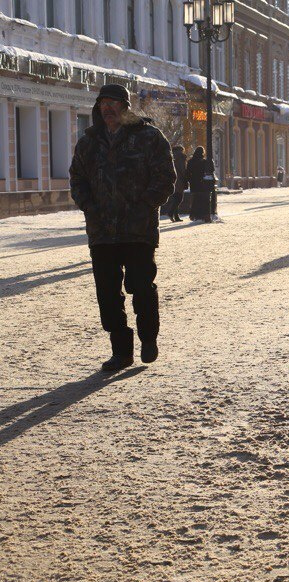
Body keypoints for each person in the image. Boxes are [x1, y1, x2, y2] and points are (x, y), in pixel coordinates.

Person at [68, 83, 175, 371]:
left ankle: (148, 338)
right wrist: (89, 206)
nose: (108, 109)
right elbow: (77, 178)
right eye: (103, 104)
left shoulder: (149, 137)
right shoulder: (89, 142)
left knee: (141, 287)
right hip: (102, 232)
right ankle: (121, 351)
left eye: (113, 103)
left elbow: (165, 176)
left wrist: (145, 205)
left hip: (138, 230)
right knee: (107, 294)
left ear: (125, 107)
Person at [186, 147, 212, 222]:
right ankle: (203, 215)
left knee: (195, 199)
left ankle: (193, 215)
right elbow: (207, 172)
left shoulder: (190, 161)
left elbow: (188, 172)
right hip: (202, 183)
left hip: (194, 183)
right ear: (202, 153)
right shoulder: (204, 162)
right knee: (204, 199)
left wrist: (190, 180)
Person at [165, 144, 187, 222]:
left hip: (172, 178)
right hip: (180, 179)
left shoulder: (170, 155)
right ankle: (170, 213)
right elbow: (182, 169)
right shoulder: (181, 156)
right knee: (179, 198)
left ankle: (176, 216)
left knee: (175, 197)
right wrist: (185, 178)